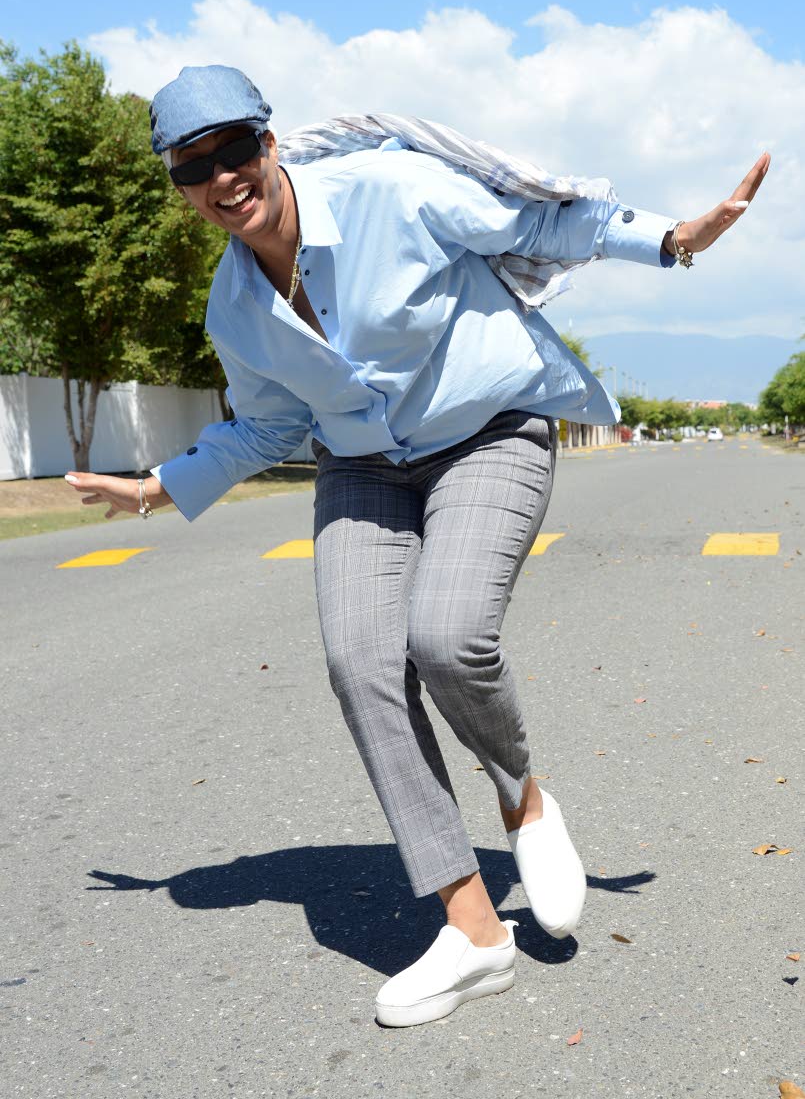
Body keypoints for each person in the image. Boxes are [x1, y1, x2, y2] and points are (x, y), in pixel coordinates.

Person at [65, 65, 769, 1028]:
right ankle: (473, 934)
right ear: (179, 186)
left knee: (445, 635)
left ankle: (521, 799)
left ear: (269, 143)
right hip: (362, 469)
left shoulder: (389, 190)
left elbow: (537, 224)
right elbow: (268, 426)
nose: (222, 177)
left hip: (488, 431)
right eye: (194, 167)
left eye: (234, 149)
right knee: (360, 662)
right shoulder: (234, 308)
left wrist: (673, 239)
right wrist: (156, 488)